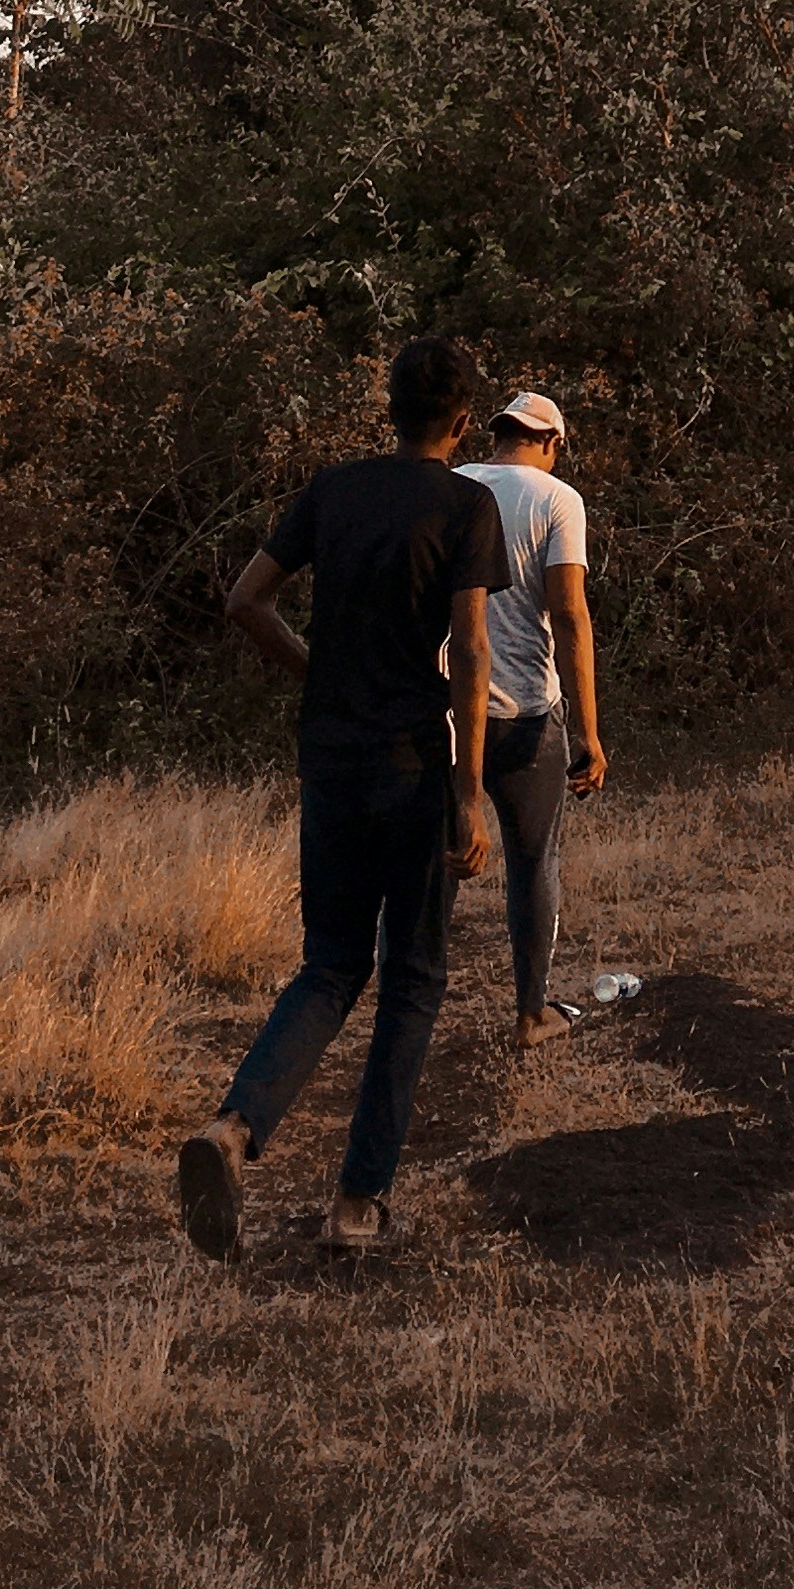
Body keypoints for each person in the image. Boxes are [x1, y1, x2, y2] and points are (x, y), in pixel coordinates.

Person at [176, 334, 503, 1262]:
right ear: (461, 419)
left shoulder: (332, 489)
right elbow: (473, 651)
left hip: (329, 762)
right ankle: (357, 1203)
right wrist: (469, 792)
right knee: (414, 979)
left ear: (389, 409)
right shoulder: (465, 504)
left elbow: (245, 600)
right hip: (411, 761)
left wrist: (317, 673)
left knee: (328, 966)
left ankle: (233, 1131)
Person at [460, 386, 608, 1053]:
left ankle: (409, 1009)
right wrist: (588, 732)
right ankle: (529, 1014)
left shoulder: (453, 484)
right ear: (550, 442)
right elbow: (570, 614)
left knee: (436, 865)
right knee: (533, 860)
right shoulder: (557, 499)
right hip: (523, 714)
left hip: (447, 711)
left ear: (496, 434)